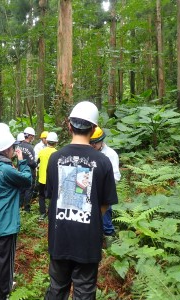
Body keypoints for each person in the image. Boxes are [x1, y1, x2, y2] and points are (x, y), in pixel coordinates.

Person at [44, 101, 118, 299]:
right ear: (93, 129)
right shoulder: (103, 161)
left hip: (60, 237)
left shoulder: (55, 158)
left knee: (56, 288)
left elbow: (52, 196)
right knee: (84, 291)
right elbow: (105, 203)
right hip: (88, 239)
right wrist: (89, 215)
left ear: (69, 126)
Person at [0, 125, 32, 300]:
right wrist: (22, 161)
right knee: (4, 261)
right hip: (5, 225)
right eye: (12, 148)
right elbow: (27, 180)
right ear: (6, 149)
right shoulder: (6, 170)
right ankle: (2, 294)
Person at [90, 126, 121, 242]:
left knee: (106, 216)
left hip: (104, 191)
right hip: (90, 190)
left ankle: (109, 239)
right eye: (90, 143)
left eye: (94, 144)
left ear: (101, 141)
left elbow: (116, 176)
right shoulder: (90, 152)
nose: (92, 146)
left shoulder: (110, 154)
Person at [37, 132, 58, 221]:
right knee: (52, 197)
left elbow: (37, 162)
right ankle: (50, 213)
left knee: (41, 196)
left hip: (42, 178)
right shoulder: (57, 153)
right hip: (52, 179)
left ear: (47, 141)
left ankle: (42, 213)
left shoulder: (41, 151)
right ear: (56, 142)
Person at [18, 126, 37, 212]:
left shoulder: (19, 145)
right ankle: (26, 209)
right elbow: (32, 162)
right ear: (29, 136)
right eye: (32, 136)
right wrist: (36, 165)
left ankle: (19, 206)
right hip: (29, 171)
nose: (33, 138)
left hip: (20, 170)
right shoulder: (30, 148)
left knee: (21, 189)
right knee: (29, 190)